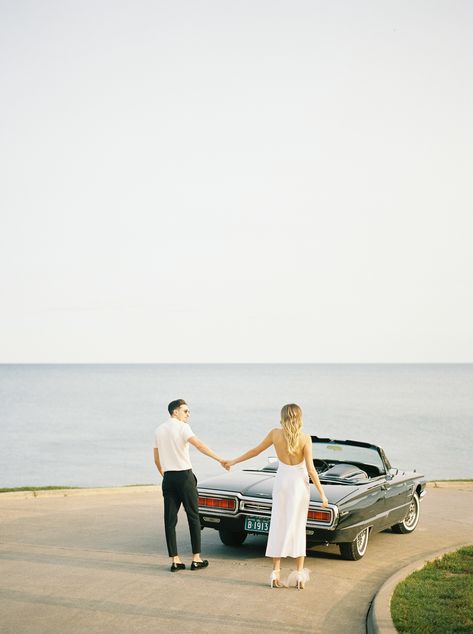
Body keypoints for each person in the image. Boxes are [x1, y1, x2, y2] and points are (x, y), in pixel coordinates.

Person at [223, 403, 328, 589]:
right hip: (298, 485)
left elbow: (255, 451)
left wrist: (233, 460)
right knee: (297, 526)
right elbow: (311, 469)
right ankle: (299, 577)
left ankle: (275, 574)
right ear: (299, 418)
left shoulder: (274, 434)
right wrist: (322, 494)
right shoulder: (305, 438)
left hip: (282, 483)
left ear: (283, 417)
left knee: (278, 524)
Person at [153, 399, 227, 572]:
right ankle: (196, 559)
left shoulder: (159, 430)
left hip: (169, 478)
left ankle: (175, 560)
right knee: (193, 517)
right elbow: (199, 445)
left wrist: (165, 475)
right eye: (185, 411)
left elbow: (156, 459)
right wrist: (219, 459)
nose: (188, 414)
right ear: (175, 412)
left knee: (169, 520)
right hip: (185, 477)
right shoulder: (183, 427)